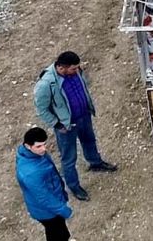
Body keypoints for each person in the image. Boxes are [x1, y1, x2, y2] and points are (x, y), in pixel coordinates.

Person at [34, 51, 118, 201]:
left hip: (84, 116)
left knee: (89, 141)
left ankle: (95, 162)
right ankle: (74, 186)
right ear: (61, 68)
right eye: (73, 69)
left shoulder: (75, 71)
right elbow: (41, 109)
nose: (77, 71)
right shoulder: (46, 84)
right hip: (67, 126)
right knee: (69, 157)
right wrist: (58, 124)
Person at [15, 127, 95, 241]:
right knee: (60, 237)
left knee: (53, 235)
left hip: (46, 207)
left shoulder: (31, 155)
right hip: (47, 211)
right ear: (28, 146)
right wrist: (64, 210)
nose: (43, 149)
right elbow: (44, 198)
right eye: (39, 146)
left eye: (44, 144)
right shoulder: (30, 172)